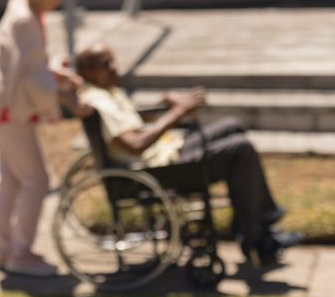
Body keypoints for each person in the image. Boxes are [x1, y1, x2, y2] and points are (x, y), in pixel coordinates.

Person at [76, 43, 299, 264]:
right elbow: (135, 144)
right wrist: (177, 113)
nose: (115, 67)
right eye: (106, 64)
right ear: (88, 71)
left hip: (166, 152)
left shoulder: (107, 90)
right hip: (153, 169)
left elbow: (130, 124)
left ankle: (254, 223)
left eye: (113, 60)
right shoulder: (98, 99)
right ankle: (257, 229)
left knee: (233, 126)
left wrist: (165, 107)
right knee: (240, 149)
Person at [0, 0, 86, 277]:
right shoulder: (27, 18)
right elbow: (30, 76)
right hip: (14, 108)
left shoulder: (21, 4)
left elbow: (29, 64)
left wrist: (54, 73)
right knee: (36, 180)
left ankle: (3, 248)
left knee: (12, 180)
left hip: (5, 103)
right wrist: (67, 99)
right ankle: (20, 252)